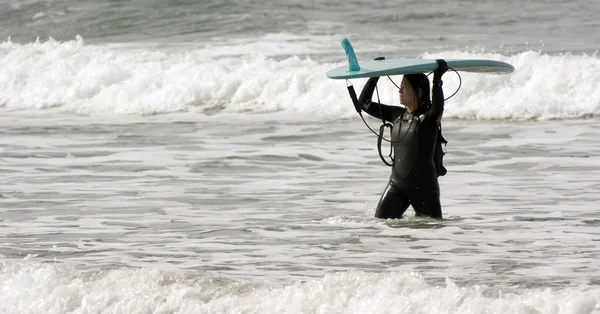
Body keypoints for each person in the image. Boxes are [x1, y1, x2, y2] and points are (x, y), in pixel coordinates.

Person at [357, 59, 448, 219]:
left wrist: (437, 79)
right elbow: (363, 104)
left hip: (424, 189)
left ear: (418, 91)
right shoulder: (396, 115)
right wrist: (376, 75)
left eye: (404, 88)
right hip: (397, 186)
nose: (399, 91)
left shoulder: (429, 119)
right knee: (379, 225)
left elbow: (438, 106)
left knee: (433, 233)